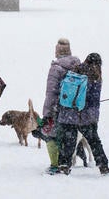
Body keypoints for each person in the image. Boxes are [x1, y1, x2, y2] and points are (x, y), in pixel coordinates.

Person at [56, 53, 109, 176]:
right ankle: (103, 166)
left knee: (68, 141)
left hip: (68, 113)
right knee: (94, 141)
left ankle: (63, 165)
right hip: (85, 116)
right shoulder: (95, 76)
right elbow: (94, 100)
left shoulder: (74, 71)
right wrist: (94, 118)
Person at [41, 38, 80, 174]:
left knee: (51, 135)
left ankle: (55, 165)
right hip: (74, 108)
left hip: (58, 108)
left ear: (57, 51)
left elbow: (51, 92)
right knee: (69, 136)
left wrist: (46, 113)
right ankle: (66, 163)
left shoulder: (56, 68)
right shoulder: (77, 65)